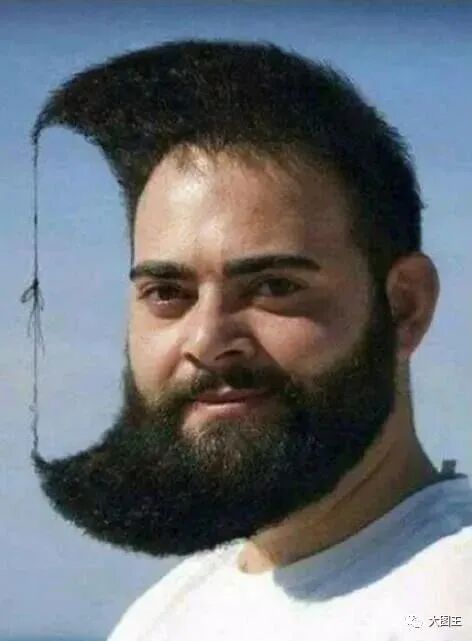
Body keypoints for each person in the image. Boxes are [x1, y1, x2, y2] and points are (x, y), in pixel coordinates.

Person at [30, 40, 472, 640]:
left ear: (405, 307)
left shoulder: (448, 604)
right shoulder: (166, 613)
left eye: (273, 287)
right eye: (168, 292)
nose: (208, 340)